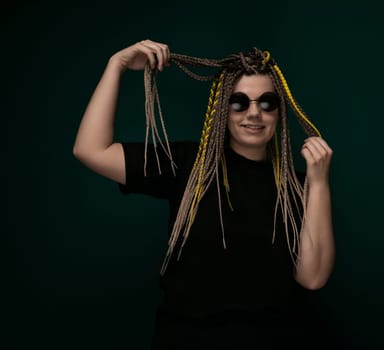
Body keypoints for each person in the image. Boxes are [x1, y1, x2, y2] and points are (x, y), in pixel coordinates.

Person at [73, 39, 335, 349]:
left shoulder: (299, 185)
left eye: (266, 102)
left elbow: (313, 277)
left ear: (279, 112)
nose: (254, 113)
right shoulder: (187, 164)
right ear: (223, 108)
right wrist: (116, 64)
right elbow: (90, 150)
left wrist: (318, 183)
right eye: (239, 102)